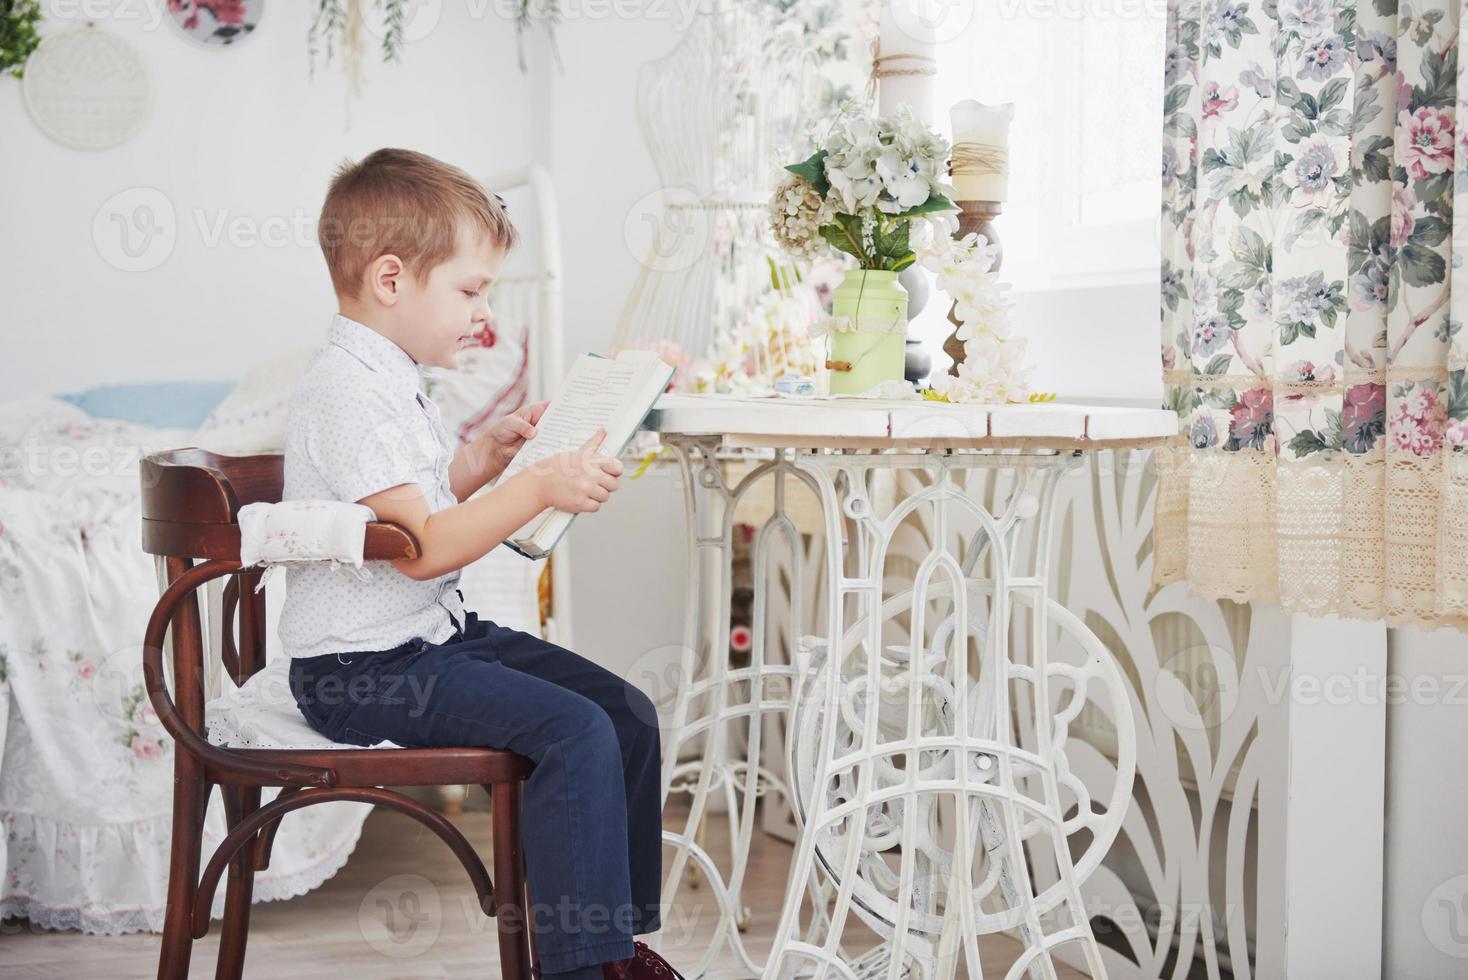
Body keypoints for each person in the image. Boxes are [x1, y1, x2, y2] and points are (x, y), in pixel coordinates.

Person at [279, 147, 677, 980]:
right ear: (391, 281)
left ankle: (615, 948)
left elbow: (407, 507)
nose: (482, 313)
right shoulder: (348, 390)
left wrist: (484, 459)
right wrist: (535, 485)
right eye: (469, 290)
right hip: (362, 667)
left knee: (629, 715)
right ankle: (578, 968)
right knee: (574, 731)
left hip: (427, 640)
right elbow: (423, 551)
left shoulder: (390, 377)